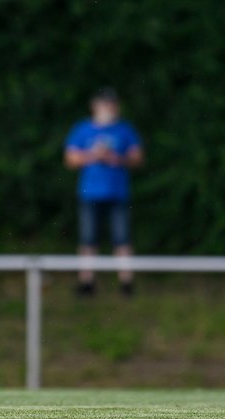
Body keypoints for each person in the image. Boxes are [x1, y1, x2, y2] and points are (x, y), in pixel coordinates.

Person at [64, 88, 144, 297]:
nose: (111, 107)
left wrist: (116, 159)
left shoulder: (125, 130)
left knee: (122, 238)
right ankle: (87, 283)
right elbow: (70, 159)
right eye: (107, 103)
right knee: (88, 239)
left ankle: (126, 284)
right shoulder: (83, 129)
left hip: (118, 193)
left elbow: (137, 158)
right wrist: (93, 155)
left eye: (113, 104)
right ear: (95, 106)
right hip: (89, 194)